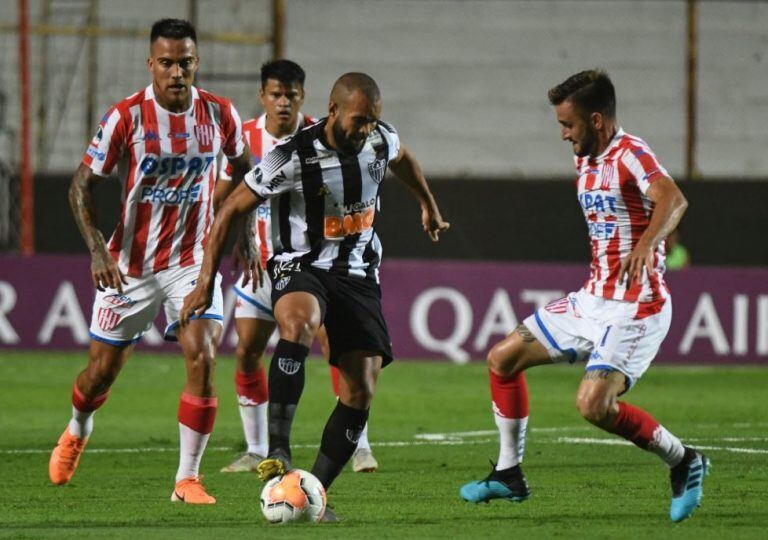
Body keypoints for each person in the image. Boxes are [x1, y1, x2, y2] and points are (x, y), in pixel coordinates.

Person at [181, 72, 449, 519]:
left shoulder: (381, 139)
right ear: (333, 110)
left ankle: (312, 491)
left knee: (361, 388)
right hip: (300, 264)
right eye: (358, 120)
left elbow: (403, 160)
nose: (365, 129)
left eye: (372, 121)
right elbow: (229, 209)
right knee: (299, 323)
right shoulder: (291, 156)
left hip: (359, 273)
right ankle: (278, 451)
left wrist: (428, 205)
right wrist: (205, 282)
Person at [459, 70, 707, 523]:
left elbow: (673, 199)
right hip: (591, 300)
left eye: (568, 125)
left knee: (594, 405)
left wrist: (648, 243)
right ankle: (508, 474)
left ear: (596, 120)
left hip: (637, 307)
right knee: (502, 359)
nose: (563, 135)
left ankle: (684, 459)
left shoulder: (631, 153)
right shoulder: (586, 158)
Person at [48, 18, 252, 505]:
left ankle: (187, 479)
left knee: (203, 354)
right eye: (167, 62)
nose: (176, 72)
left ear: (196, 63)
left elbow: (246, 174)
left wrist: (238, 231)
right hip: (131, 265)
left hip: (192, 261)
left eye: (185, 62)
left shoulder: (221, 114)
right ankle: (78, 428)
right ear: (151, 65)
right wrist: (98, 247)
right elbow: (80, 185)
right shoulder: (127, 117)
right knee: (99, 374)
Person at [217, 60, 379, 474]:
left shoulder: (325, 134)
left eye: (290, 95)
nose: (283, 102)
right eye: (275, 94)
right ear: (263, 96)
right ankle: (258, 448)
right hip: (259, 264)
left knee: (332, 345)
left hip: (311, 265)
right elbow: (230, 197)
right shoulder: (246, 139)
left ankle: (358, 443)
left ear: (304, 98)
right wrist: (245, 239)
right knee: (248, 352)